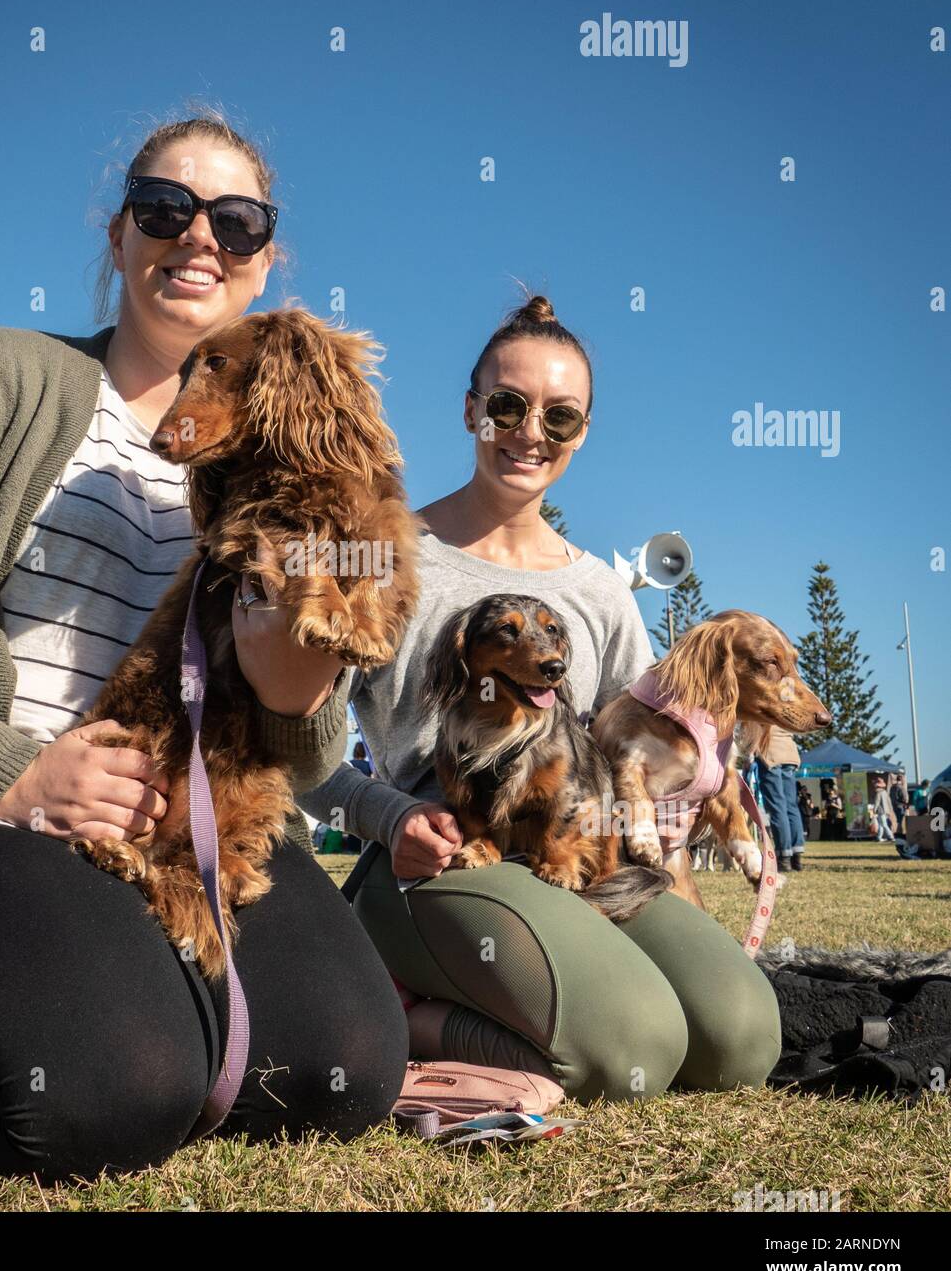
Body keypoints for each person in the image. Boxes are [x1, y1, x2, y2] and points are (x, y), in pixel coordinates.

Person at [0, 114, 405, 1181]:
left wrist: (294, 651)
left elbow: (313, 750)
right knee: (115, 1091)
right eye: (163, 207)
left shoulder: (281, 450)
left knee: (344, 1072)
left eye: (236, 222)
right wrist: (9, 772)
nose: (199, 238)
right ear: (118, 235)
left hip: (183, 825)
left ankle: (96, 998)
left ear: (265, 260)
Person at [301, 294, 781, 1102]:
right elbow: (294, 751)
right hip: (439, 863)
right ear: (469, 411)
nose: (530, 433)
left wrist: (680, 825)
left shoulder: (598, 591)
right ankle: (401, 1012)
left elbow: (632, 755)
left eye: (559, 418)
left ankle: (515, 986)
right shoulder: (381, 557)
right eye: (507, 406)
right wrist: (388, 818)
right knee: (633, 1045)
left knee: (738, 1040)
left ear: (582, 432)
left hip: (573, 857)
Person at [755, 727, 804, 873]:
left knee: (777, 808)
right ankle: (797, 856)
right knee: (791, 807)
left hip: (770, 754)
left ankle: (784, 856)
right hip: (789, 753)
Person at [872, 776, 897, 844]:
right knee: (881, 825)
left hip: (880, 811)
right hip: (885, 811)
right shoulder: (885, 792)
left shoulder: (878, 793)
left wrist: (874, 810)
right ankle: (879, 838)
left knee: (884, 824)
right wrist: (890, 810)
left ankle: (891, 837)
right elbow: (889, 802)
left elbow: (877, 802)